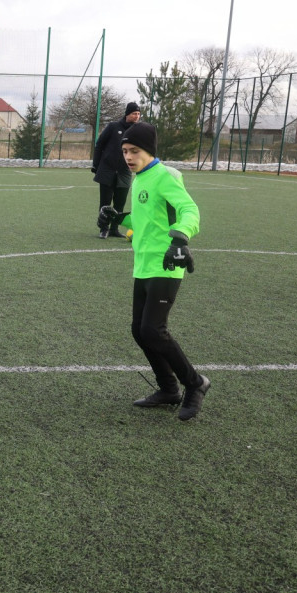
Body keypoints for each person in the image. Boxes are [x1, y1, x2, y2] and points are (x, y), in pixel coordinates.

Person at [98, 121, 211, 421]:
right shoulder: (139, 179)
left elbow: (190, 211)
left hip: (167, 264)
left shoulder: (165, 176)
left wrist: (181, 236)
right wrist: (118, 219)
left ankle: (195, 383)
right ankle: (168, 389)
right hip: (143, 266)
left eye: (134, 151)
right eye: (124, 151)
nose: (128, 157)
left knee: (153, 330)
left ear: (149, 150)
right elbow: (145, 221)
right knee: (139, 331)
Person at [92, 102, 141, 239]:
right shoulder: (113, 127)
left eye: (138, 114)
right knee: (105, 202)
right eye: (134, 113)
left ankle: (114, 229)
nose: (136, 116)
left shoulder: (138, 130)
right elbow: (99, 144)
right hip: (107, 170)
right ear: (127, 114)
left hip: (125, 172)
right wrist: (96, 164)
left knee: (120, 202)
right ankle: (103, 228)